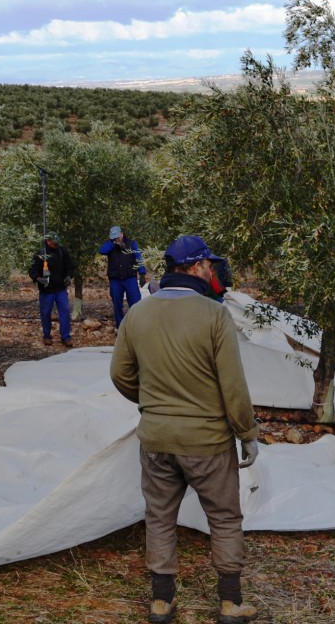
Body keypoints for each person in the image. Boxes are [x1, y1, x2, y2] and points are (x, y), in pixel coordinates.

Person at [110, 235, 261, 624]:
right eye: (208, 263)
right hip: (207, 442)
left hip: (157, 439)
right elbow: (233, 386)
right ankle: (230, 603)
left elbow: (120, 374)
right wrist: (247, 432)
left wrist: (153, 404)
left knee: (159, 517)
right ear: (196, 268)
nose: (212, 270)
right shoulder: (213, 315)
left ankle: (162, 603)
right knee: (225, 518)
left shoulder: (138, 314)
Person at [28, 231, 75, 347]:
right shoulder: (40, 254)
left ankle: (66, 337)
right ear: (48, 242)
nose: (56, 245)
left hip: (60, 289)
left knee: (64, 311)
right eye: (54, 243)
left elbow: (70, 267)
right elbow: (32, 271)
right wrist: (39, 279)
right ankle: (47, 336)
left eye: (57, 243)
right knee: (45, 313)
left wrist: (69, 276)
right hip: (46, 290)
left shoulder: (62, 252)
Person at [99, 225, 147, 327]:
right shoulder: (110, 245)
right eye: (114, 238)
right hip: (115, 279)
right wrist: (113, 244)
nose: (117, 239)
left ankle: (136, 326)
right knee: (117, 304)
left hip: (130, 278)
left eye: (118, 237)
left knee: (135, 303)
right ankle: (120, 327)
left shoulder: (132, 244)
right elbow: (102, 251)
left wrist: (142, 273)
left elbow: (139, 258)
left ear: (122, 233)